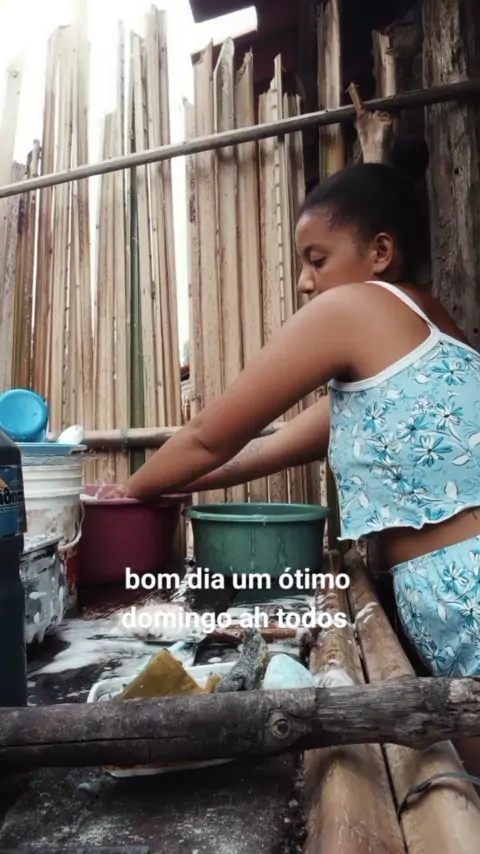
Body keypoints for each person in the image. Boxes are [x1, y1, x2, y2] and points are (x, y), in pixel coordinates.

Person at [122, 140, 480, 770]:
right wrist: (172, 486)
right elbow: (268, 449)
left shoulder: (355, 307)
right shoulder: (425, 334)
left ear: (380, 252)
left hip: (466, 590)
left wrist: (124, 495)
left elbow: (210, 435)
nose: (304, 281)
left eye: (317, 259)